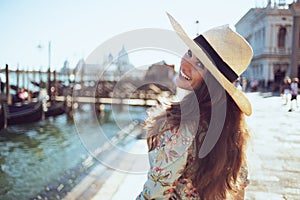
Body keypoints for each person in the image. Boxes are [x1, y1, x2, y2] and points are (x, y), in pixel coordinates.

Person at [137, 14, 252, 200]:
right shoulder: (233, 128)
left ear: (213, 82)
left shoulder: (179, 125)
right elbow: (240, 189)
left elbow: (154, 195)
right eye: (190, 52)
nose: (185, 64)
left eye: (199, 64)